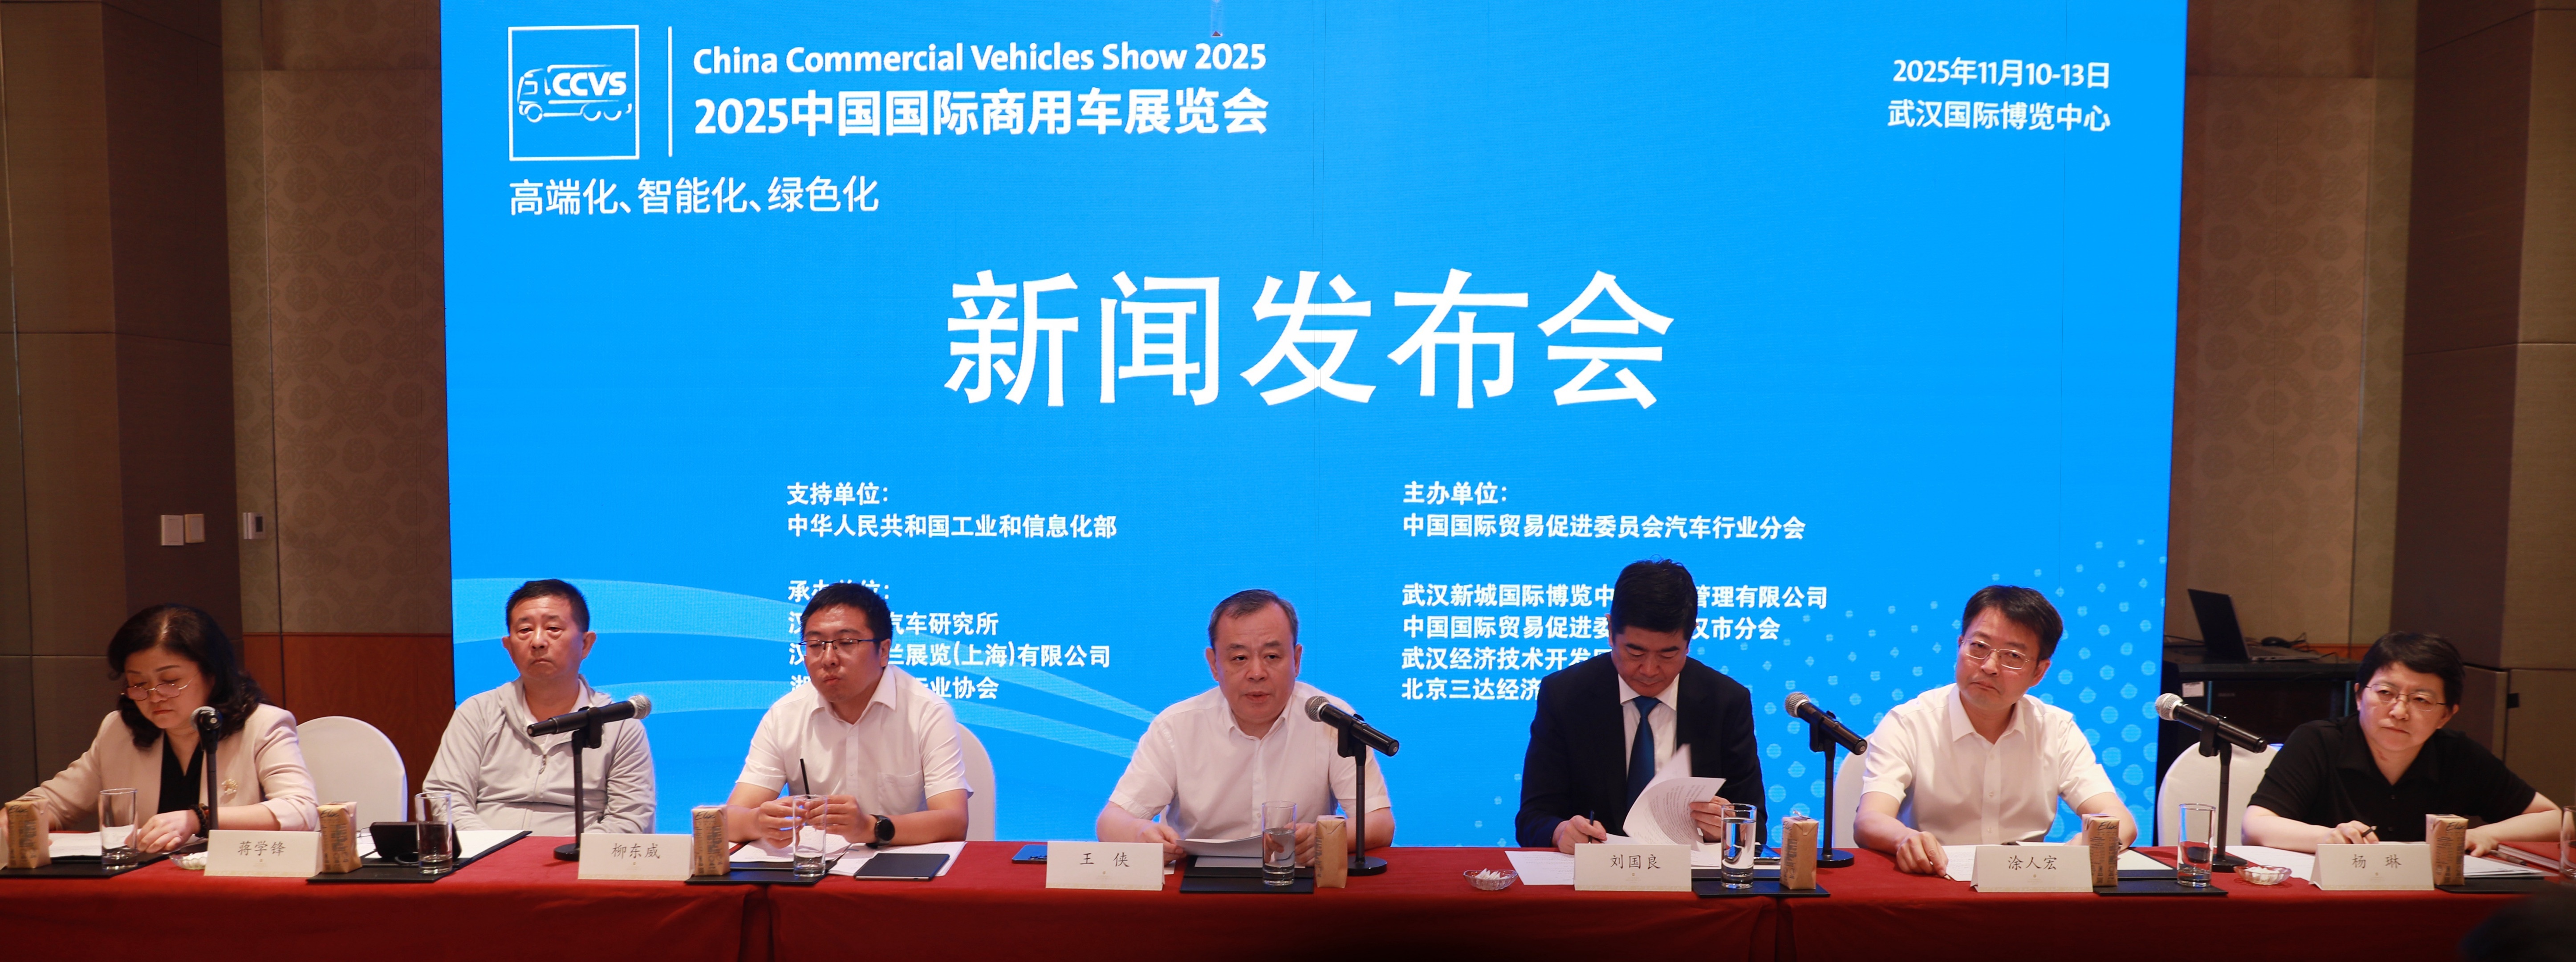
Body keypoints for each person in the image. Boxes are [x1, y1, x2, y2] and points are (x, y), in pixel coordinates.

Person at [1853, 585, 2133, 875]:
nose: (1989, 666)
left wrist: (2090, 844)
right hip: (1935, 880)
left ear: (2039, 672)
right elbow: (1870, 819)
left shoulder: (2057, 729)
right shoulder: (1909, 722)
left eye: (2012, 656)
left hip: (2027, 883)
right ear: (1960, 645)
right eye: (1978, 647)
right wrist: (1904, 839)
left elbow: (2120, 821)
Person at [1098, 589, 1394, 863]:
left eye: (1272, 656)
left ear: (1296, 660)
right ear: (1214, 664)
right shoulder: (1176, 726)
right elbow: (1111, 822)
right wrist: (1140, 834)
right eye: (1239, 658)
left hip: (1295, 880)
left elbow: (1380, 823)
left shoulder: (1331, 720)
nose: (1257, 672)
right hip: (1198, 885)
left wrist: (1327, 837)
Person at [14, 605, 317, 850]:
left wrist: (198, 819)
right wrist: (13, 821)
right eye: (138, 684)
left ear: (212, 675)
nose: (154, 696)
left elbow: (301, 810)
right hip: (142, 887)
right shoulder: (120, 731)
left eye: (170, 681)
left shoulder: (261, 725)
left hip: (233, 884)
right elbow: (54, 804)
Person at [1516, 559, 1765, 852]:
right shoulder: (1565, 695)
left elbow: (1756, 827)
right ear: (1611, 631)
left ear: (1690, 639)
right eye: (1635, 652)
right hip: (1593, 874)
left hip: (1689, 876)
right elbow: (1533, 818)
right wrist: (1560, 833)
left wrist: (1727, 829)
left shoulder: (1726, 702)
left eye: (1668, 655)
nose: (1649, 670)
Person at [2243, 632, 2562, 855]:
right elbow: (2256, 826)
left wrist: (2485, 834)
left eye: (2421, 700)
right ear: (2359, 696)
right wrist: (2328, 837)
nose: (2399, 712)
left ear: (2446, 715)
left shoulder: (2458, 755)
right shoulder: (2318, 742)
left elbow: (2558, 820)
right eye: (2386, 693)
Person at [722, 582, 969, 847]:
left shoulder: (927, 712)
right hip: (815, 867)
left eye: (846, 643)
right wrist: (757, 822)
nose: (828, 658)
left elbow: (954, 822)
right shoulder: (785, 716)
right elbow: (728, 820)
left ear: (884, 651)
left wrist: (869, 827)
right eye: (815, 645)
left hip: (903, 865)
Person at [422, 579, 654, 833]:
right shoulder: (477, 713)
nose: (538, 641)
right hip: (487, 853)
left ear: (586, 644)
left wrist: (577, 853)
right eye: (525, 630)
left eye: (553, 628)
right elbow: (446, 797)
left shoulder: (620, 726)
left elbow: (629, 817)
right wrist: (493, 849)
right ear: (509, 647)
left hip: (577, 855)